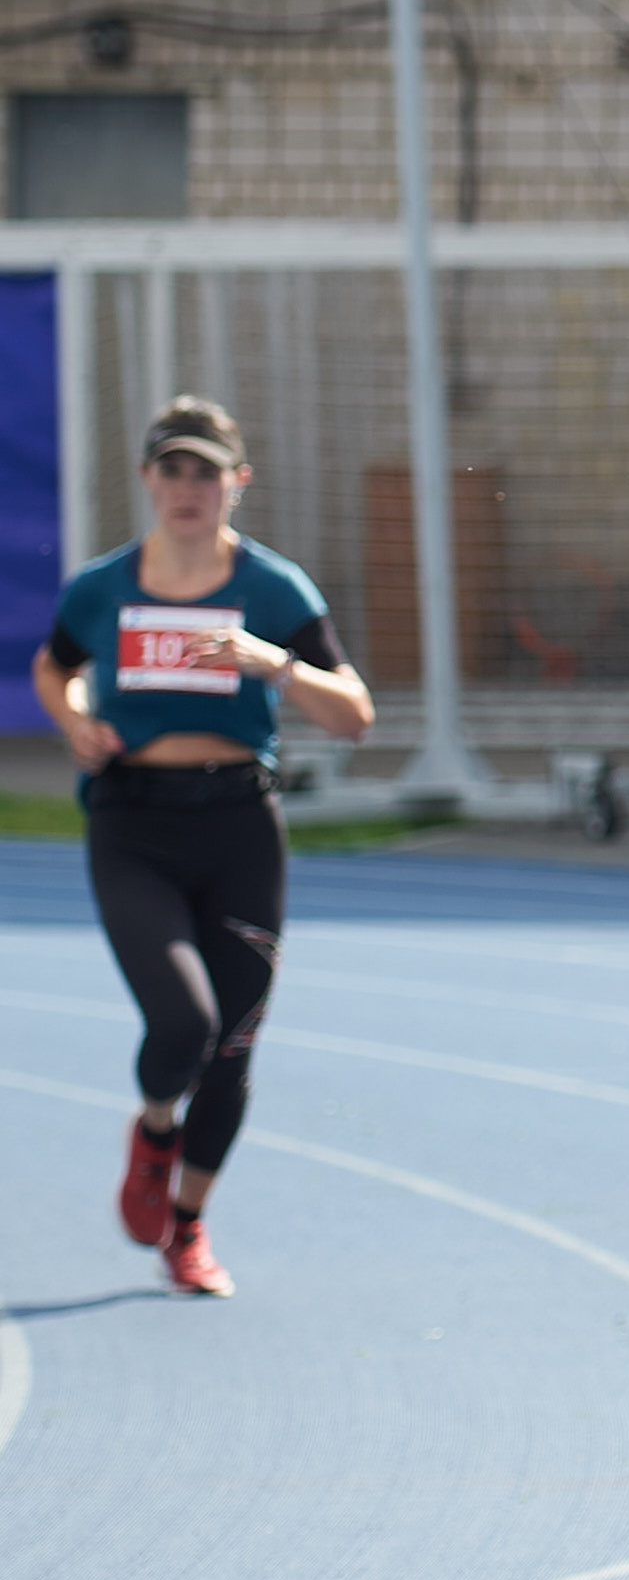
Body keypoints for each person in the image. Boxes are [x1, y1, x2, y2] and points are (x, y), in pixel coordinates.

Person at [31, 396, 375, 1298]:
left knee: (234, 1044)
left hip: (237, 824)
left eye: (206, 472)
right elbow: (54, 663)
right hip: (133, 820)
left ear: (236, 484)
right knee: (183, 1024)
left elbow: (355, 717)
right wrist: (74, 723)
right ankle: (153, 1129)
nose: (188, 489)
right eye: (172, 470)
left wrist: (275, 664)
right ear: (148, 481)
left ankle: (187, 1226)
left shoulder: (273, 588)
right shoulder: (104, 586)